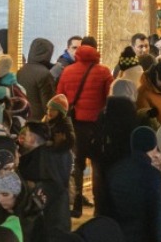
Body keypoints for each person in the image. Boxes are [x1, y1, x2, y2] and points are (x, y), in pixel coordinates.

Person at [55, 38, 113, 212]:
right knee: (98, 165)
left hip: (76, 125)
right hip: (98, 126)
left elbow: (60, 98)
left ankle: (77, 202)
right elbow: (109, 99)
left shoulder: (68, 71)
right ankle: (99, 206)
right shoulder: (104, 72)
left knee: (77, 164)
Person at [16, 116, 75, 242]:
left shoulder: (39, 157)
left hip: (45, 217)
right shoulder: (62, 154)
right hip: (59, 215)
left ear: (33, 138)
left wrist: (32, 185)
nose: (23, 137)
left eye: (27, 133)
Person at [19, 38, 59, 118]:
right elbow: (48, 103)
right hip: (39, 118)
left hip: (24, 114)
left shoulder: (21, 70)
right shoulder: (44, 74)